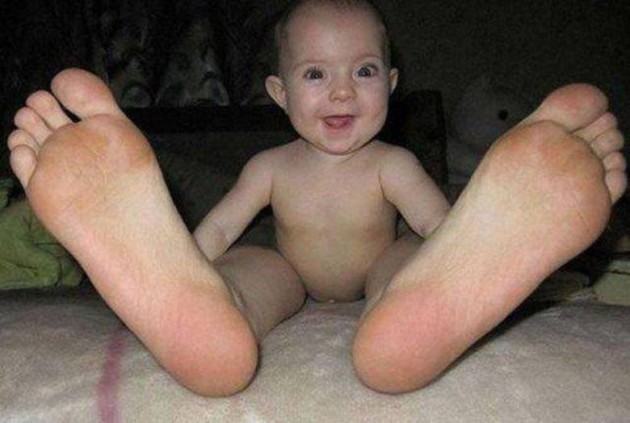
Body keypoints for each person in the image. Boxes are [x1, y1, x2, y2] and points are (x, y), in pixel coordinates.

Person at [6, 0, 626, 397]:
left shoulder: (393, 164)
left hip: (377, 265)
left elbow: (440, 225)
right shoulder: (268, 168)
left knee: (410, 259)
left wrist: (480, 246)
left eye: (363, 71)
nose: (342, 92)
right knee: (247, 268)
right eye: (315, 74)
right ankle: (201, 303)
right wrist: (173, 257)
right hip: (293, 273)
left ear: (391, 84)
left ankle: (418, 306)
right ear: (279, 93)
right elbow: (218, 232)